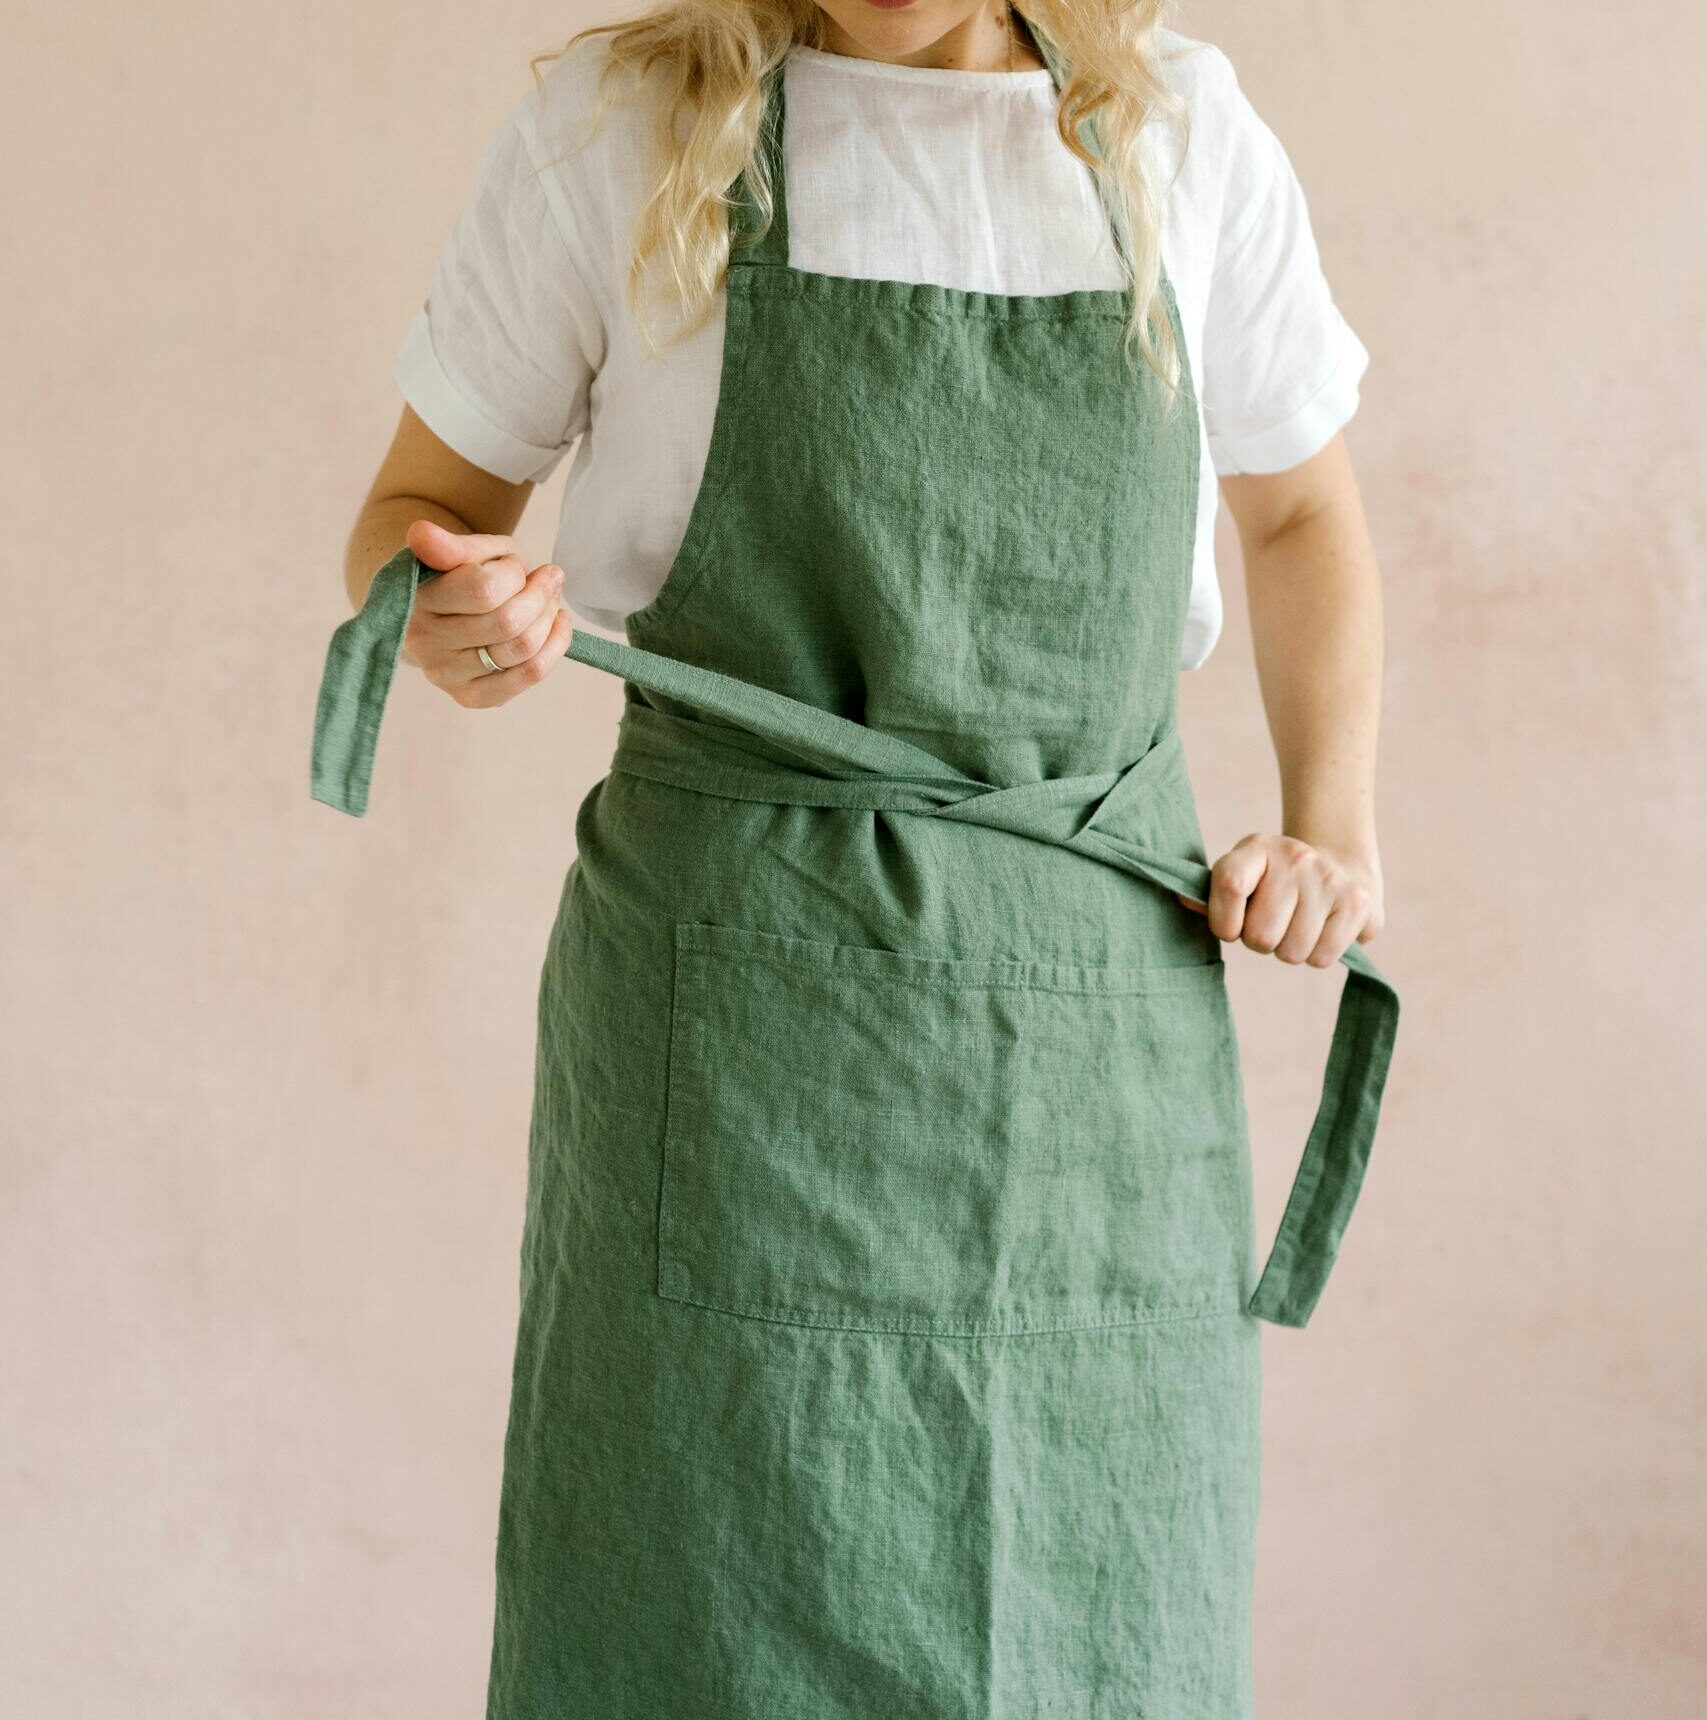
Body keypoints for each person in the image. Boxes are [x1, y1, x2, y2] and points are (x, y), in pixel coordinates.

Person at [309, 0, 1400, 1713]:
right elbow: (412, 516)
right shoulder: (620, 126)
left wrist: (1332, 826)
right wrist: (457, 609)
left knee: (1100, 1625)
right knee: (697, 1620)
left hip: (1091, 1047)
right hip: (733, 1044)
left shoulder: (1179, 126)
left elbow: (1304, 511)